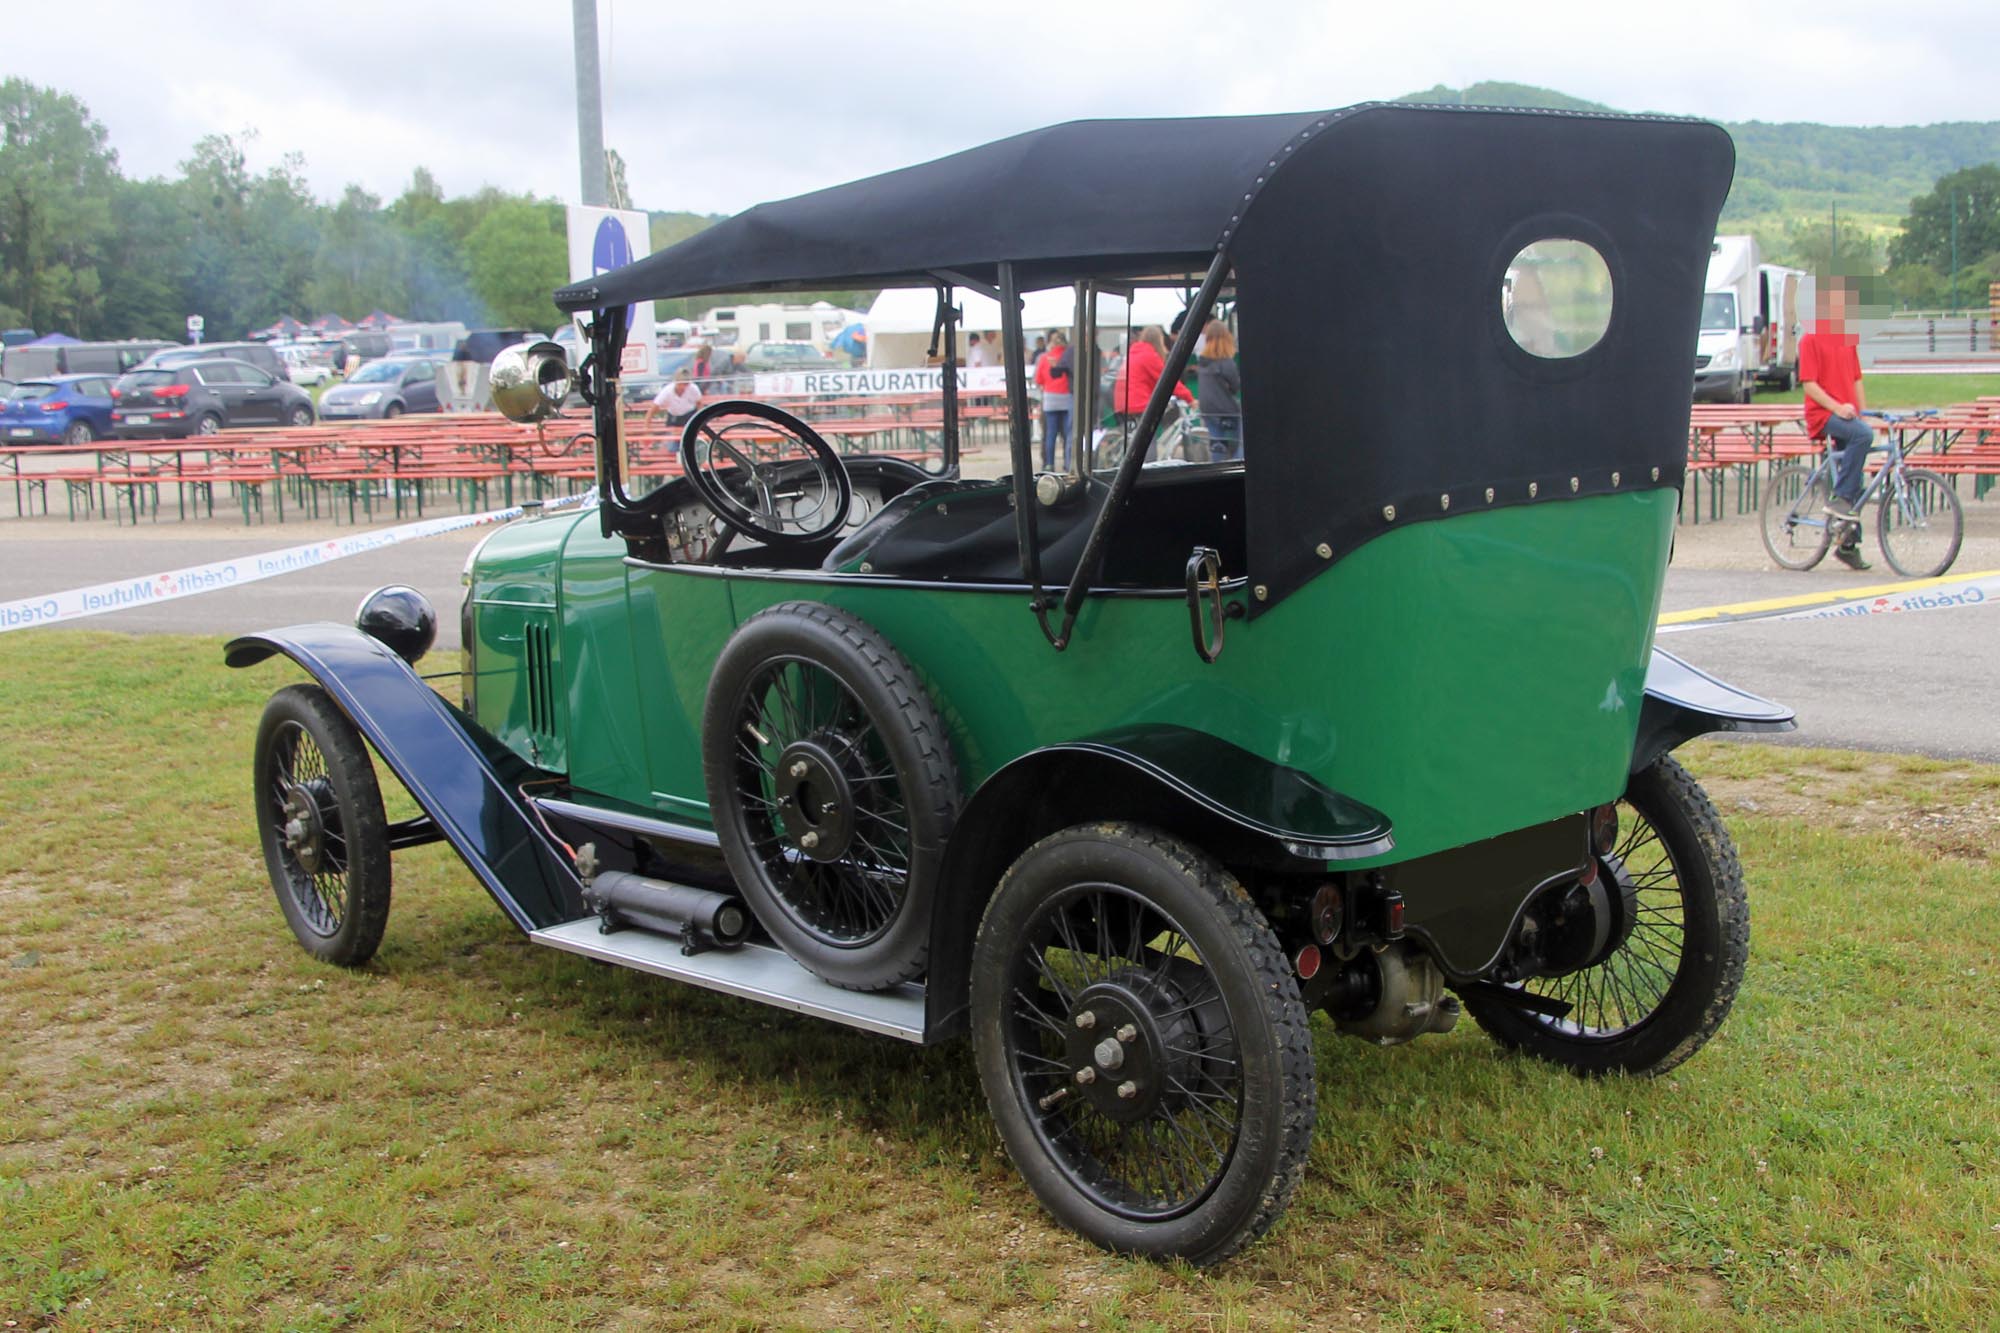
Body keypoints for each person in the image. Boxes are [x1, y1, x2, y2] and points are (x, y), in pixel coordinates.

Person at [1799, 278, 1871, 570]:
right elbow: (1810, 385)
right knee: (1860, 442)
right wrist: (1837, 408)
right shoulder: (1810, 339)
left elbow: (1856, 379)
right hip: (1824, 414)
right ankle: (1839, 498)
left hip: (1847, 416)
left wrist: (1862, 412)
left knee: (1857, 479)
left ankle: (1848, 544)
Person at [1112, 325, 1192, 448]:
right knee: (1148, 442)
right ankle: (1147, 464)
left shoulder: (1134, 352)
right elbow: (1168, 380)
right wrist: (1189, 398)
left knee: (1136, 439)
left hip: (1122, 403)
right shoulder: (1149, 355)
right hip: (1138, 404)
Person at [1196, 319, 1242, 462]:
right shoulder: (1227, 363)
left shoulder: (1202, 361)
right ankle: (1236, 468)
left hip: (1207, 409)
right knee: (1239, 442)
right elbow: (1235, 387)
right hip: (1226, 410)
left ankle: (1216, 470)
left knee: (1217, 444)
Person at [1035, 331, 1073, 470]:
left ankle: (1049, 464)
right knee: (1067, 434)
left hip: (1050, 399)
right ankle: (1067, 463)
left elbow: (1039, 379)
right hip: (1066, 398)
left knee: (1050, 434)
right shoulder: (1068, 356)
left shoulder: (1045, 358)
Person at [643, 369, 703, 437]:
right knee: (671, 443)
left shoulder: (693, 388)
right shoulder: (667, 391)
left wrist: (700, 421)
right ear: (676, 382)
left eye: (686, 384)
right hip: (674, 418)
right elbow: (653, 409)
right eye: (681, 384)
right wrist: (647, 428)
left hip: (690, 416)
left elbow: (699, 404)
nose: (683, 387)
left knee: (691, 439)